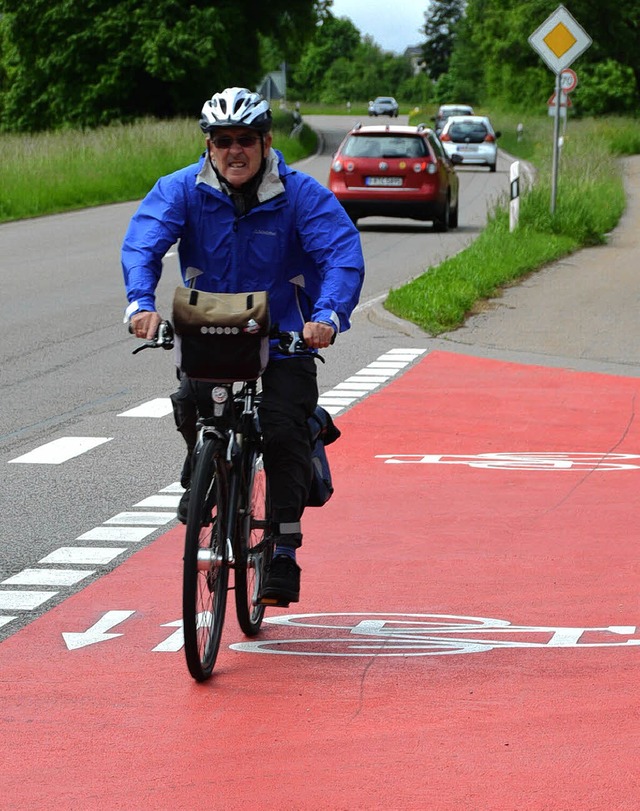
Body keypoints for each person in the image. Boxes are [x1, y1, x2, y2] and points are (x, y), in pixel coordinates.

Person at [121, 87, 364, 606]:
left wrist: (327, 316)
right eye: (223, 140)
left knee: (281, 429)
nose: (235, 150)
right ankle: (203, 467)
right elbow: (144, 243)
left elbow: (340, 253)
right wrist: (141, 304)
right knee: (191, 404)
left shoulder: (300, 194)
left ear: (266, 141)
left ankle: (282, 550)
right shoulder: (182, 190)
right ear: (208, 145)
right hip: (209, 332)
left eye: (246, 140)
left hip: (282, 340)